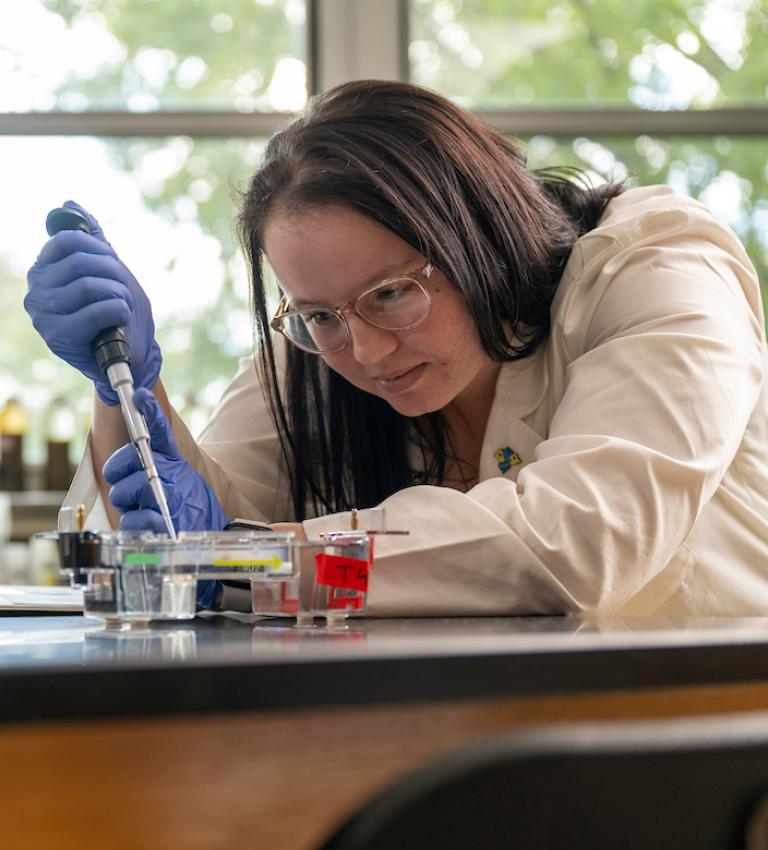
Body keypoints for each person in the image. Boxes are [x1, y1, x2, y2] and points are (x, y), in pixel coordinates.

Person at [25, 80, 768, 617]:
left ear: (481, 237)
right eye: (318, 313)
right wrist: (124, 384)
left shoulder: (657, 265)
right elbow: (180, 549)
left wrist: (234, 557)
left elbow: (575, 542)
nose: (367, 350)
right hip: (458, 737)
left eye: (393, 294)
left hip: (705, 741)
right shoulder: (319, 348)